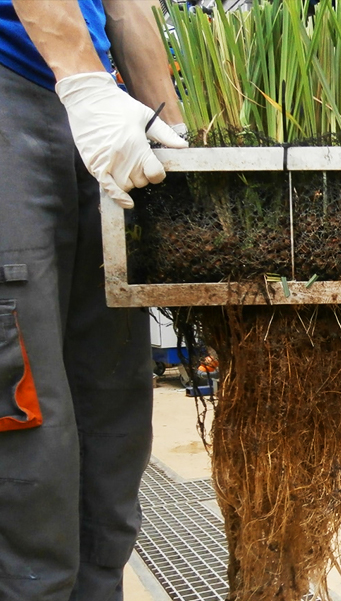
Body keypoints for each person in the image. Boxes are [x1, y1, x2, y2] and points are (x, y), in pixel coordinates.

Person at [0, 0, 186, 598]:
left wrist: (173, 132)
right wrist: (81, 81)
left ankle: (97, 586)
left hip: (94, 99)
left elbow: (128, 6)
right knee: (28, 403)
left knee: (114, 399)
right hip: (13, 89)